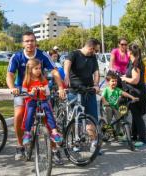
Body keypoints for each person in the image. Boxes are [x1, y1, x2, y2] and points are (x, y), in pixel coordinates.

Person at [6, 31, 65, 163]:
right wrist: (12, 88)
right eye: (27, 41)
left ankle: (55, 150)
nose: (30, 43)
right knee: (19, 114)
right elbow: (9, 74)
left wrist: (61, 87)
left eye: (32, 40)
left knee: (47, 118)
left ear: (35, 42)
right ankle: (20, 146)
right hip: (22, 91)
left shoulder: (42, 55)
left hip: (41, 91)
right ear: (23, 43)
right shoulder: (17, 56)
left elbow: (54, 71)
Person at [64, 38, 101, 153]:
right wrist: (66, 77)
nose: (95, 52)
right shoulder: (74, 54)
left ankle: (94, 143)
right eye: (95, 50)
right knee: (77, 119)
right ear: (90, 47)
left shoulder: (93, 57)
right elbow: (67, 64)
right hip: (75, 90)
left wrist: (96, 85)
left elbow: (96, 72)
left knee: (93, 118)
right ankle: (76, 142)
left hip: (89, 90)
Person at [22, 59, 62, 145]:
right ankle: (27, 133)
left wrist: (44, 91)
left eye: (40, 68)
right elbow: (24, 95)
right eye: (36, 68)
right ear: (30, 69)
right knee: (30, 112)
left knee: (49, 111)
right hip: (32, 101)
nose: (39, 70)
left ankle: (54, 132)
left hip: (42, 100)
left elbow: (48, 93)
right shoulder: (27, 81)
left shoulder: (43, 80)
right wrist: (30, 93)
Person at [121, 43, 146, 147]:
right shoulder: (132, 62)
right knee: (135, 115)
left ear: (130, 52)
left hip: (137, 93)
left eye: (127, 50)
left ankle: (143, 139)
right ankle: (134, 136)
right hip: (134, 92)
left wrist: (124, 78)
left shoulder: (137, 63)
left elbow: (135, 80)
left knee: (137, 116)